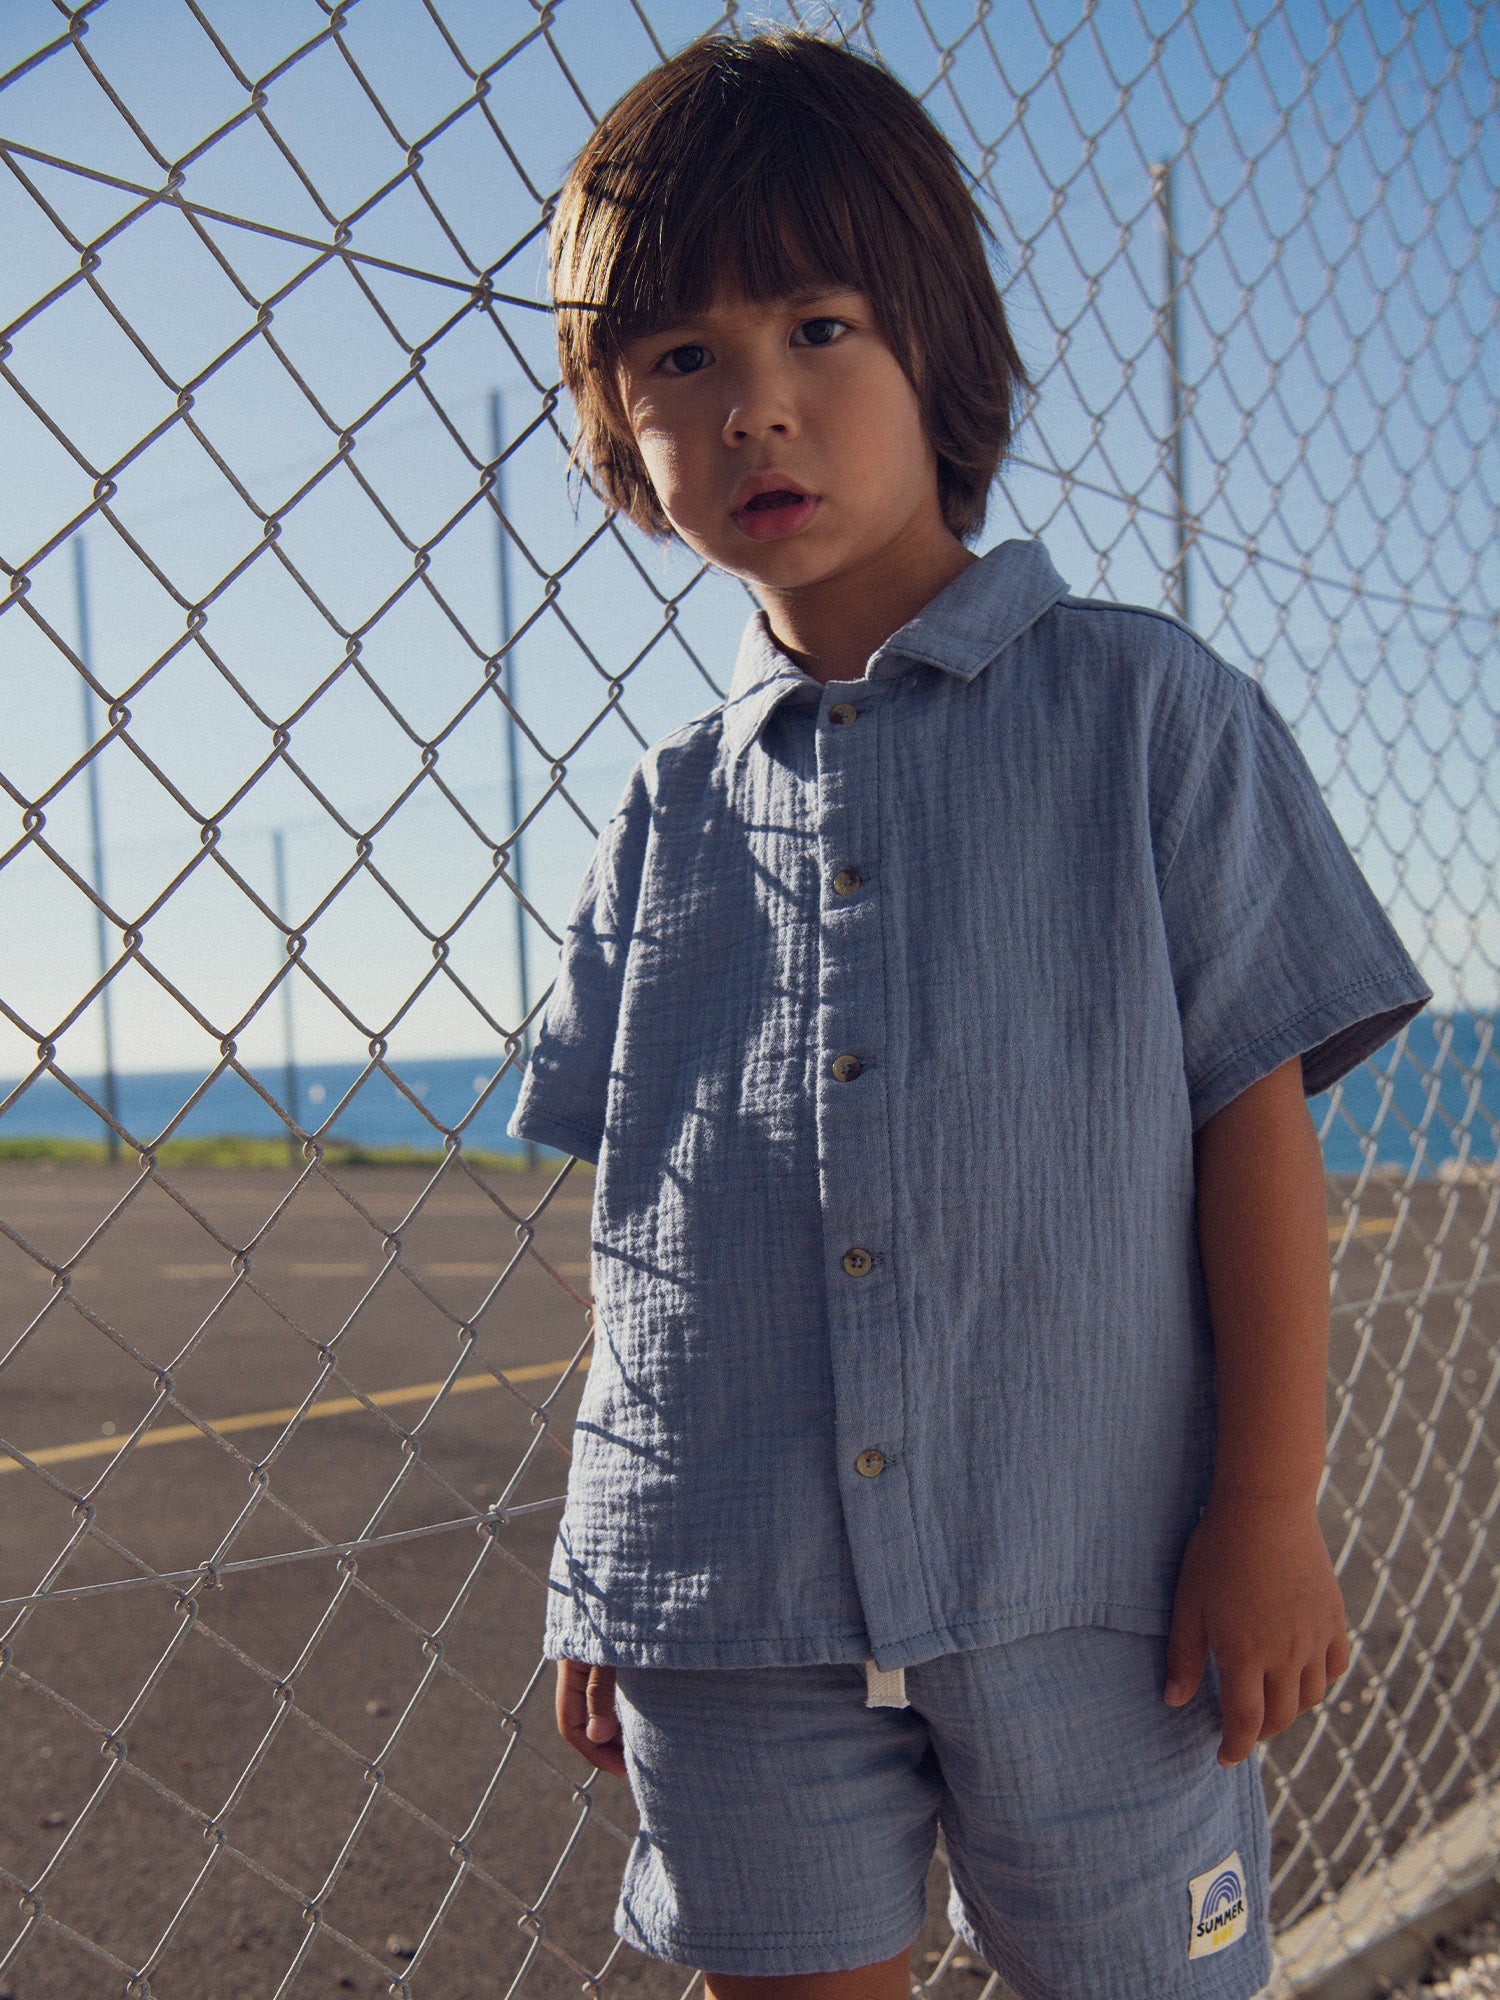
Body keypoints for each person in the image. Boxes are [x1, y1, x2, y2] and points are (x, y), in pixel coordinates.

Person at [508, 28, 1431, 2000]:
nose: (755, 406)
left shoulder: (1144, 712)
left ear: (941, 350)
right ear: (611, 420)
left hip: (1093, 1590)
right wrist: (611, 1558)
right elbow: (638, 1228)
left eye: (819, 325)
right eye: (678, 358)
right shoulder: (666, 810)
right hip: (729, 1593)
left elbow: (1249, 1127)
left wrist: (1268, 1511)